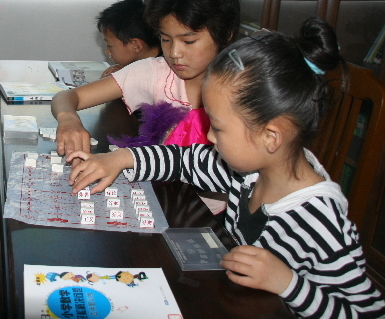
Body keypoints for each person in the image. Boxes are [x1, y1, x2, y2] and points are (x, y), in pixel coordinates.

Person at [66, 17, 385, 318]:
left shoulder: (320, 223)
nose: (208, 137)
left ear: (270, 136)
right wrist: (124, 158)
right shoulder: (249, 170)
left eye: (217, 127)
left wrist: (289, 284)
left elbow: (369, 313)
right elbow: (184, 161)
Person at [52, 0, 240, 158]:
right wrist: (68, 118)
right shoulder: (156, 73)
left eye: (188, 41)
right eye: (166, 39)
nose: (174, 53)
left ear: (225, 35)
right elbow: (67, 97)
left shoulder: (246, 84)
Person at [96, 0, 160, 77]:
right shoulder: (150, 65)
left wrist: (119, 78)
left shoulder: (154, 75)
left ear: (136, 45)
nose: (107, 52)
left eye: (110, 46)